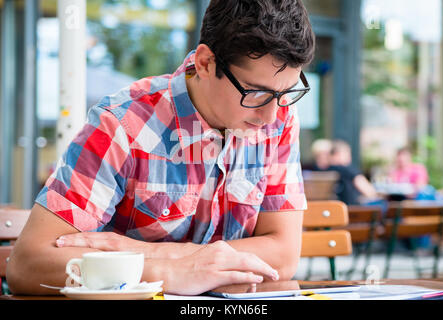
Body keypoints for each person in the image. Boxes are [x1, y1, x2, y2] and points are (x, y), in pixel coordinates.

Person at [7, 0, 315, 296]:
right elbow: (28, 264)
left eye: (287, 92)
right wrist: (169, 273)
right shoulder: (122, 123)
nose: (271, 115)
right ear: (206, 63)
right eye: (256, 93)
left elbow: (283, 257)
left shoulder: (281, 116)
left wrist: (147, 253)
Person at [327, 140, 379, 205]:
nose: (350, 157)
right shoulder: (348, 170)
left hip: (330, 210)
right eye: (347, 153)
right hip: (351, 210)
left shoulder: (324, 170)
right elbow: (369, 191)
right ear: (337, 154)